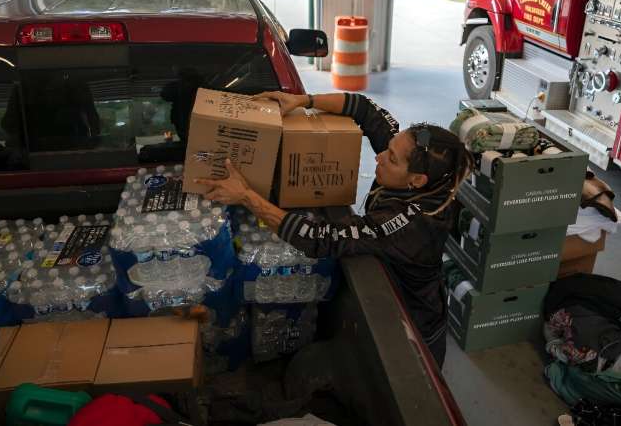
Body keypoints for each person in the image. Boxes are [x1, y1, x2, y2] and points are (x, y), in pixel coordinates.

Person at [196, 91, 474, 367]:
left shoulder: (408, 224)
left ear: (417, 180)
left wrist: (246, 196)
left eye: (391, 159)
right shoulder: (414, 163)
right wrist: (304, 101)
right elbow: (365, 108)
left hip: (411, 324)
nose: (379, 158)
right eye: (388, 148)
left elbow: (321, 238)